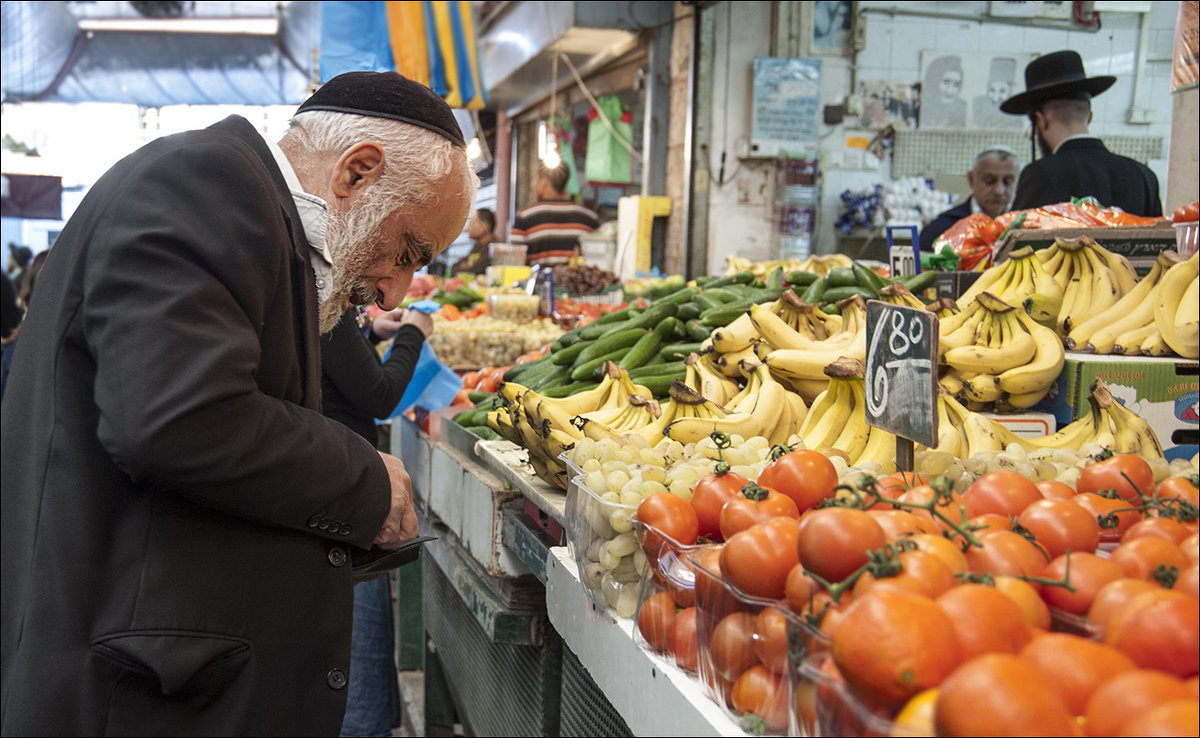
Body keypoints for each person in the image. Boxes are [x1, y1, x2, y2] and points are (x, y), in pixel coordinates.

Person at [1, 71, 477, 736]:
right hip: (131, 697)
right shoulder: (202, 184)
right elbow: (178, 416)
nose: (395, 292)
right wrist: (364, 479)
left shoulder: (253, 216)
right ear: (357, 172)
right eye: (405, 251)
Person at [320, 305, 433, 737]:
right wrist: (413, 334)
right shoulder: (319, 288)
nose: (391, 291)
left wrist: (365, 330)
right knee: (354, 666)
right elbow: (380, 394)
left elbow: (338, 365)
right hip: (337, 515)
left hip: (337, 506)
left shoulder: (323, 299)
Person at [1000, 50, 1162, 216]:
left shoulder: (1042, 175)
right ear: (1089, 117)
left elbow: (1018, 239)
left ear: (1041, 120)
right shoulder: (1143, 177)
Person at [919, 146, 1021, 250]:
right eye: (990, 181)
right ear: (971, 179)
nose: (999, 191)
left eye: (1008, 181)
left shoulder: (1026, 230)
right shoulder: (941, 231)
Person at [509, 160, 599, 268]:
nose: (533, 185)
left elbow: (515, 263)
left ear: (544, 182)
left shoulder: (524, 217)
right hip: (579, 284)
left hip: (539, 284)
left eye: (535, 179)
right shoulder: (589, 218)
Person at [921, 55, 967, 129]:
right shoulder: (927, 106)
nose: (950, 90)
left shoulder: (963, 107)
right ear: (936, 81)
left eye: (956, 84)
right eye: (946, 82)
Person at [451, 207, 496, 275]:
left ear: (484, 227)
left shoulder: (493, 250)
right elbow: (454, 269)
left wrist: (466, 267)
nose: (467, 228)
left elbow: (474, 272)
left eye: (471, 223)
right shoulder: (477, 247)